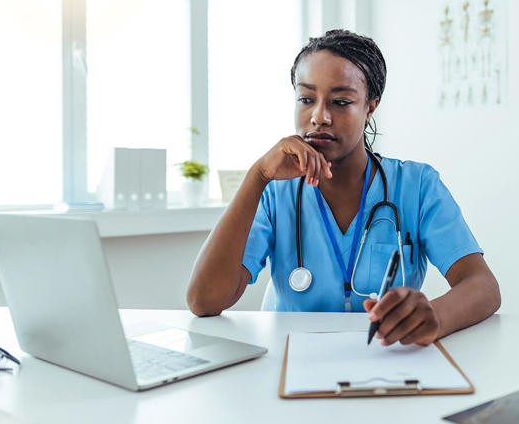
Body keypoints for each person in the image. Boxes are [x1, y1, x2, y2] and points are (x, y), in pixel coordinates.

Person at [186, 30, 501, 346]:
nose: (319, 117)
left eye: (340, 102)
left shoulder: (417, 186)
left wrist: (436, 316)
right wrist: (258, 175)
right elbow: (204, 301)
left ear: (370, 107)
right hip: (287, 362)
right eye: (306, 99)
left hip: (385, 360)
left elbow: (483, 285)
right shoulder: (275, 192)